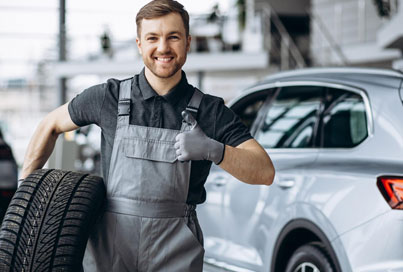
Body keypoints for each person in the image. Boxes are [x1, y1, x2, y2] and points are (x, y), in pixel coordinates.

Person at [20, 0, 275, 271]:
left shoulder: (210, 110)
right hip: (110, 250)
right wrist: (26, 193)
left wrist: (215, 150)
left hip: (176, 250)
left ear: (187, 42)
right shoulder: (109, 97)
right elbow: (50, 124)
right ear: (140, 44)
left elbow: (264, 171)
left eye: (173, 37)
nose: (163, 48)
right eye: (152, 38)